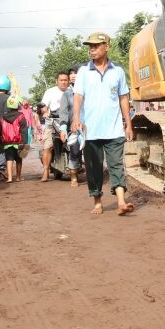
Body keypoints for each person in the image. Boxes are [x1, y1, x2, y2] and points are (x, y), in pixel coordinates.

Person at [71, 31, 135, 215]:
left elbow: (123, 98)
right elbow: (78, 97)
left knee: (116, 165)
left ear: (107, 47)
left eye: (96, 46)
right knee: (93, 168)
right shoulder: (84, 72)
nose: (92, 50)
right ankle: (97, 201)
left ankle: (121, 201)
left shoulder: (118, 72)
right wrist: (76, 118)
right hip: (90, 130)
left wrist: (128, 123)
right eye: (90, 46)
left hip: (114, 129)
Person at [39, 72, 69, 181]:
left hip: (68, 123)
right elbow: (43, 105)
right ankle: (46, 170)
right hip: (52, 122)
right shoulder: (50, 92)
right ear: (57, 81)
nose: (64, 82)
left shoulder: (72, 92)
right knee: (48, 146)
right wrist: (45, 112)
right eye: (61, 80)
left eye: (66, 80)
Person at [1, 95, 26, 182]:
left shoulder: (3, 117)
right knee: (19, 159)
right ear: (18, 105)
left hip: (7, 143)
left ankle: (10, 178)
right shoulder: (21, 116)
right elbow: (23, 130)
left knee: (9, 159)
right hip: (18, 142)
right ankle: (18, 177)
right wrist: (24, 142)